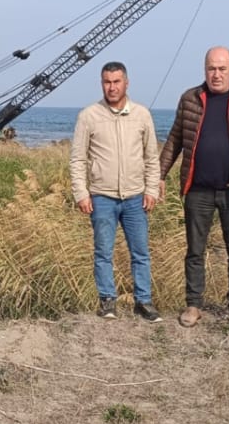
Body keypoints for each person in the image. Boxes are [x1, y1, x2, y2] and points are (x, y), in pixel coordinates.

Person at [159, 46, 229, 327]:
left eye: (222, 68)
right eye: (211, 68)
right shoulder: (190, 99)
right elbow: (174, 140)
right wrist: (159, 176)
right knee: (195, 251)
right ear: (204, 69)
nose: (216, 74)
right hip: (197, 190)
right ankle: (193, 305)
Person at [69, 61, 162, 322]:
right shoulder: (88, 116)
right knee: (103, 252)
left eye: (116, 81)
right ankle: (107, 300)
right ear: (102, 84)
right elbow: (77, 159)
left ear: (126, 83)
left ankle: (143, 302)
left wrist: (151, 190)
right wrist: (81, 193)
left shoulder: (142, 115)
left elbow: (151, 157)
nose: (112, 87)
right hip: (102, 197)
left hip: (135, 197)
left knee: (141, 253)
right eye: (107, 82)